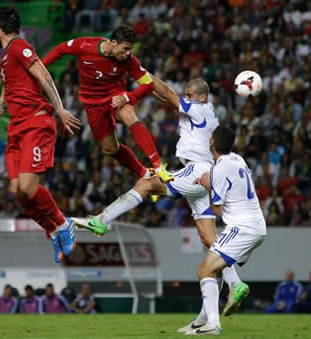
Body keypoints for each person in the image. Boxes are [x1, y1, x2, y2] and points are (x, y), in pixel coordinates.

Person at [80, 77, 243, 317]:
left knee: (145, 185)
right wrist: (143, 90)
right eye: (185, 94)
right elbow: (163, 95)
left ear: (201, 98)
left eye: (189, 95)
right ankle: (235, 283)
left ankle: (103, 220)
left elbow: (167, 91)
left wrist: (142, 73)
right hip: (205, 176)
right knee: (209, 237)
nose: (185, 98)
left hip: (196, 171)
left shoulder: (199, 109)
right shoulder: (197, 110)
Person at [0, 7, 105, 264]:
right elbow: (8, 96)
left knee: (29, 187)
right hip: (16, 128)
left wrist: (59, 108)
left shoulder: (19, 47)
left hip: (35, 122)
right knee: (17, 191)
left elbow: (45, 75)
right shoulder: (6, 60)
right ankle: (51, 230)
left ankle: (63, 224)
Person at [41, 24, 173, 184]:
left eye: (130, 49)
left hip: (116, 96)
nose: (128, 53)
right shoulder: (85, 45)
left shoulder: (129, 60)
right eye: (125, 49)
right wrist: (39, 69)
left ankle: (158, 166)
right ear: (113, 43)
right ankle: (145, 173)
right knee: (110, 149)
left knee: (129, 115)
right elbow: (59, 50)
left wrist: (129, 97)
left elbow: (149, 84)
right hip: (93, 104)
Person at [181, 126, 267, 335]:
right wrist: (207, 178)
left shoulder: (218, 170)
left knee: (204, 271)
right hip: (257, 226)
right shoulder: (238, 159)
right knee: (215, 267)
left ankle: (214, 324)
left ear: (212, 143)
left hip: (242, 228)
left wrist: (209, 187)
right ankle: (204, 319)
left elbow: (216, 210)